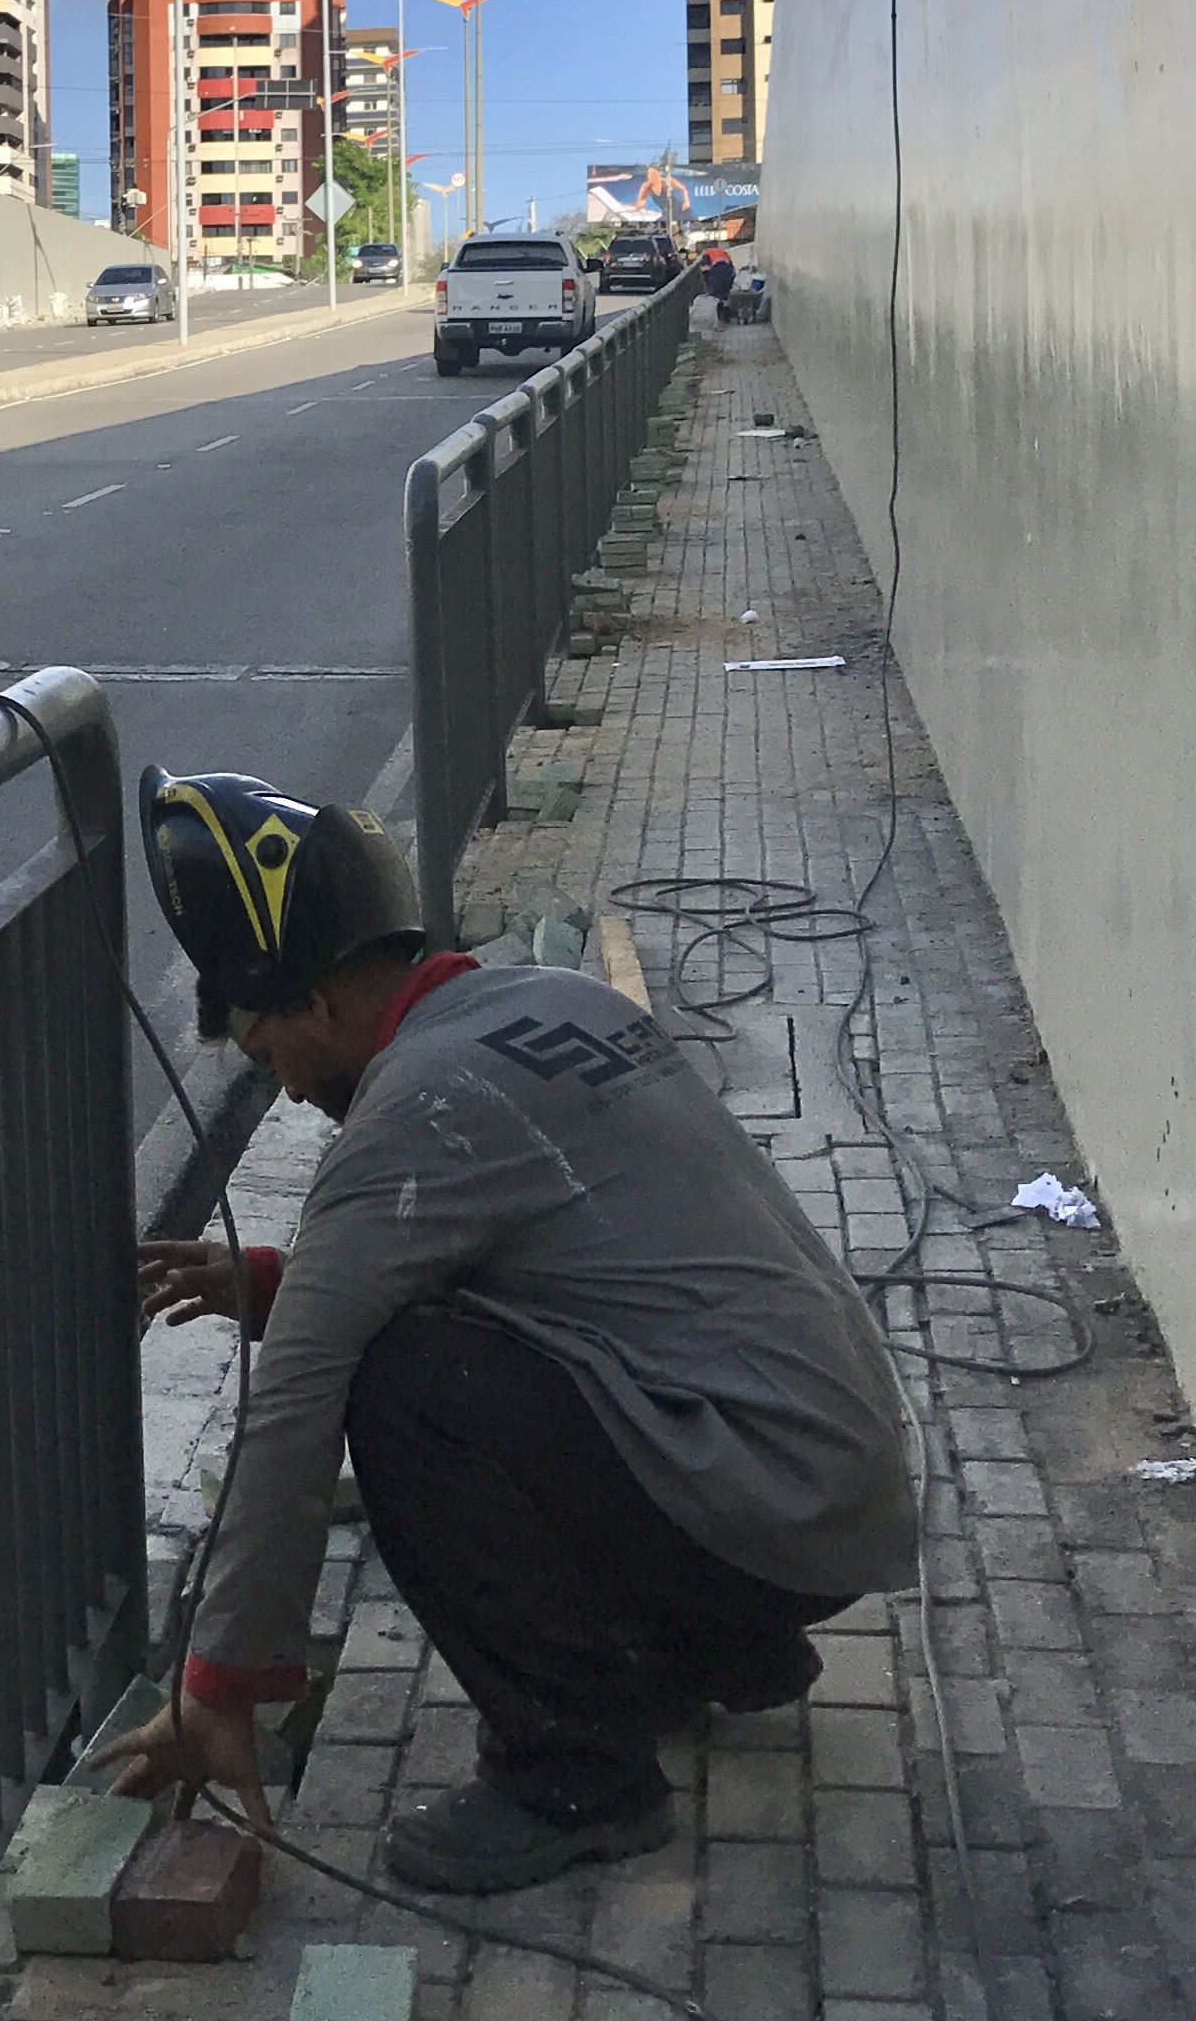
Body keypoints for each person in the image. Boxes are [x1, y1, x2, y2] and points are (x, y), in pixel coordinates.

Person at [95, 769, 918, 1894]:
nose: (280, 1091)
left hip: (768, 1504)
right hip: (829, 1476)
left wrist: (221, 1679)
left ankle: (576, 1773)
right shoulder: (552, 1002)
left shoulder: (415, 1107)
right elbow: (564, 1265)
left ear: (321, 1004)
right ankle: (710, 1643)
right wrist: (285, 1275)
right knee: (453, 1347)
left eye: (261, 1046)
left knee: (402, 1384)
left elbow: (295, 1400)